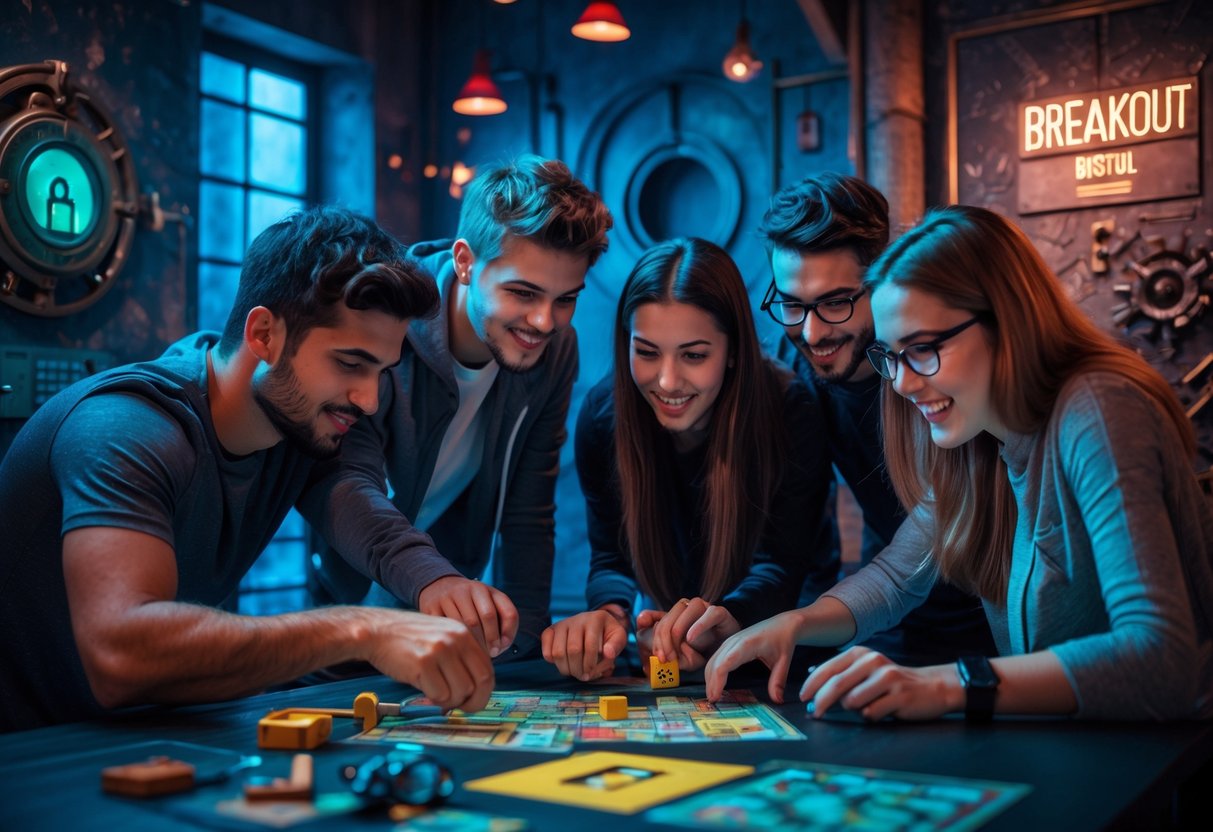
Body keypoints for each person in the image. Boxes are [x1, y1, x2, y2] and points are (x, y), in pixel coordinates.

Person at [706, 205, 1213, 721]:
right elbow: (897, 577)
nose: (900, 383)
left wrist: (947, 684)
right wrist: (793, 624)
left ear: (1005, 322)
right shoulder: (979, 439)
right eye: (891, 356)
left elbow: (1162, 656)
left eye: (922, 349)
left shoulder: (1098, 407)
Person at [0, 206, 497, 732]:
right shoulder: (124, 428)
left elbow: (361, 506)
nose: (370, 400)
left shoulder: (297, 425)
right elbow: (119, 655)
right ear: (264, 334)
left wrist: (437, 582)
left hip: (146, 735)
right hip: (28, 753)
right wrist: (363, 628)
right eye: (351, 364)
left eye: (381, 371)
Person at [311, 156, 613, 661]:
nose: (543, 321)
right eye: (523, 292)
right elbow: (345, 480)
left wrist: (527, 651)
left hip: (450, 600)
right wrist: (433, 580)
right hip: (352, 593)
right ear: (466, 261)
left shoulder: (557, 350)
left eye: (566, 299)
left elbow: (529, 508)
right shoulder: (383, 322)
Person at [541, 238, 832, 681]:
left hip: (787, 659)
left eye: (694, 355)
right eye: (647, 352)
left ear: (733, 350)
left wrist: (722, 622)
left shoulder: (791, 410)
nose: (668, 381)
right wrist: (610, 616)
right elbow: (611, 560)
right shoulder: (603, 419)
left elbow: (781, 565)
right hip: (675, 662)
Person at [758, 172, 995, 664]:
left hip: (998, 613)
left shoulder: (937, 362)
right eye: (793, 304)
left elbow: (941, 516)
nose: (812, 331)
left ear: (881, 280)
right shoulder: (794, 365)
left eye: (835, 302)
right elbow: (803, 529)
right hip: (888, 612)